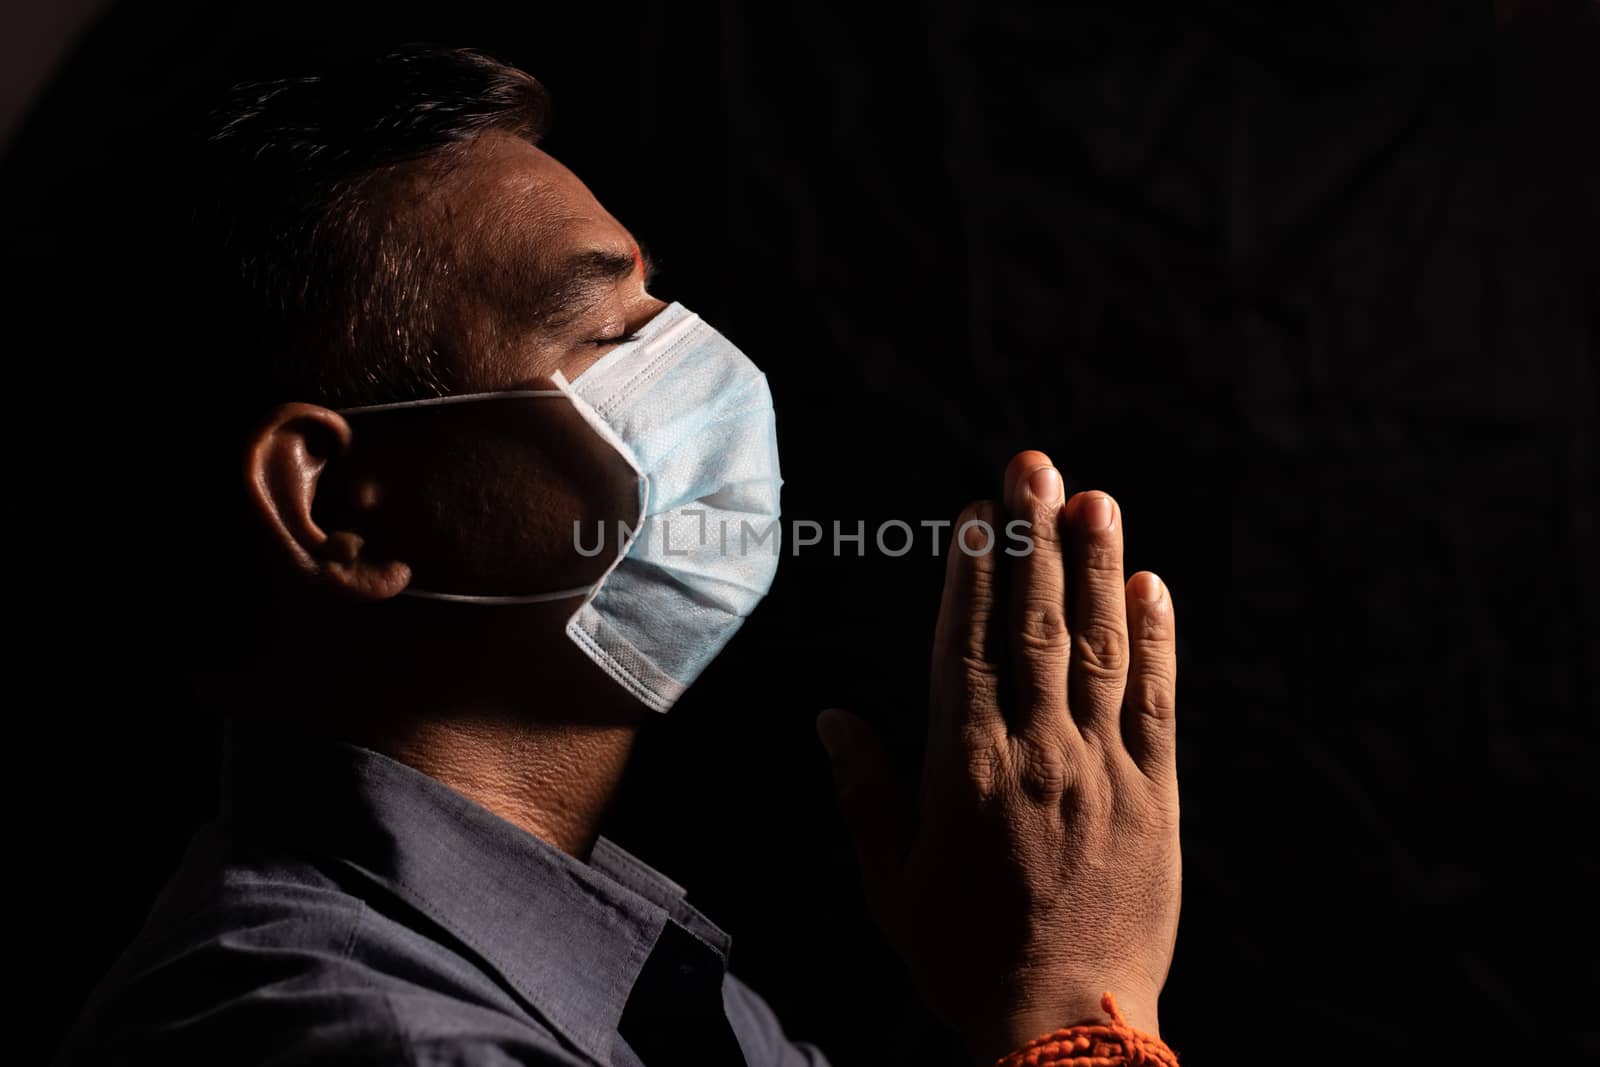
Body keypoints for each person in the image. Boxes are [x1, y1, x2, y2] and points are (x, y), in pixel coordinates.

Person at [54, 45, 1182, 1067]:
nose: (711, 373)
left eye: (665, 312)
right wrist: (1076, 1020)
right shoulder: (346, 1032)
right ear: (339, 506)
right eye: (610, 333)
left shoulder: (678, 1005)